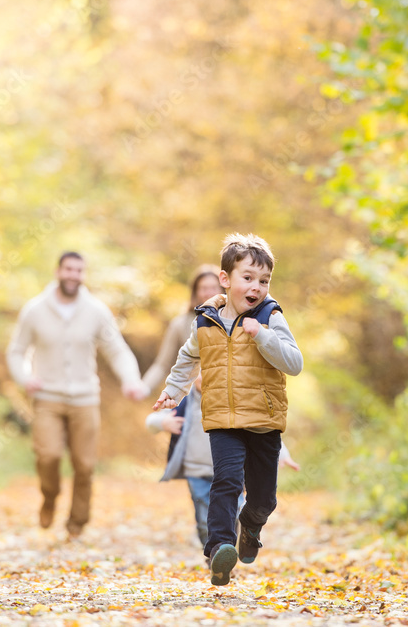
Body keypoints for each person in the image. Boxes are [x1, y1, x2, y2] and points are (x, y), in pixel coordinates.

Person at [153, 233, 303, 585]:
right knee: (226, 481)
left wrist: (263, 336)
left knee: (263, 498)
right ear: (226, 279)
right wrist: (173, 391)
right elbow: (188, 358)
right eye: (248, 278)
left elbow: (294, 363)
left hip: (264, 421)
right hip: (222, 419)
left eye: (264, 280)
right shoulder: (205, 321)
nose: (256, 287)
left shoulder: (270, 316)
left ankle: (250, 527)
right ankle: (220, 547)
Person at [7, 251, 148, 538]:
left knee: (84, 465)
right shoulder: (35, 310)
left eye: (79, 271)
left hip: (85, 398)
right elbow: (16, 351)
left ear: (83, 275)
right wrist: (25, 377)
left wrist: (130, 379)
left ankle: (77, 522)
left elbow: (117, 350)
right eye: (68, 269)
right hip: (47, 397)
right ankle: (49, 496)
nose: (73, 275)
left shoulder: (96, 311)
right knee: (47, 456)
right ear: (58, 271)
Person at [146, 372, 300, 552]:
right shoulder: (184, 402)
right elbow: (150, 420)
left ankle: (228, 549)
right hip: (197, 472)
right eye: (199, 373)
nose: (204, 377)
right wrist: (163, 422)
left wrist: (283, 453)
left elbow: (261, 431)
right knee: (204, 520)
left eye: (208, 372)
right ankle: (214, 554)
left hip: (232, 470)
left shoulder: (231, 402)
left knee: (233, 514)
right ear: (191, 376)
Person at [141, 266, 223, 394]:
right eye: (204, 288)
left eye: (214, 288)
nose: (209, 293)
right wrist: (144, 388)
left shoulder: (232, 320)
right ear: (195, 292)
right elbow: (162, 365)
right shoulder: (179, 324)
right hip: (189, 394)